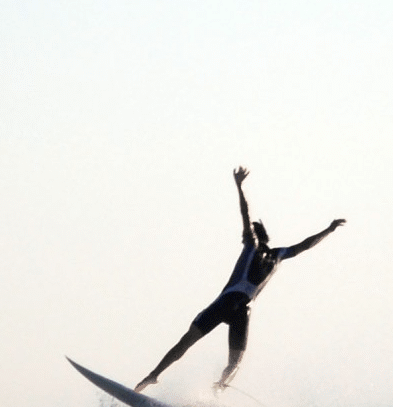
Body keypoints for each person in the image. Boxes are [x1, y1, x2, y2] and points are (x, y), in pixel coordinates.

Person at [136, 166, 345, 392]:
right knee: (235, 363)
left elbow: (246, 215)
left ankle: (152, 376)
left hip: (226, 303)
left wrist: (239, 186)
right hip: (243, 312)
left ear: (254, 236)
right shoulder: (278, 256)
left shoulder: (251, 245)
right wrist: (329, 229)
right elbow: (305, 245)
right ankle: (219, 388)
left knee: (186, 342)